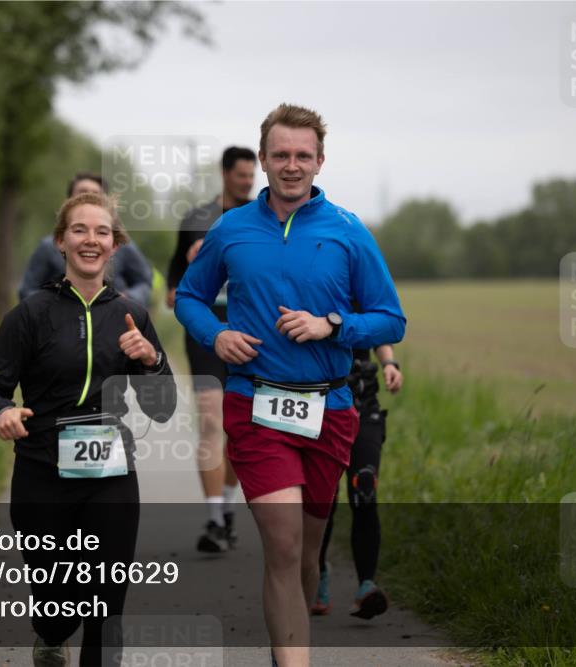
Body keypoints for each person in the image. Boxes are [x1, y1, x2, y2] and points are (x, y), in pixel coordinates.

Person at [174, 103, 405, 667]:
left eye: (303, 155)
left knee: (304, 556)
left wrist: (333, 325)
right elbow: (187, 296)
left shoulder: (348, 231)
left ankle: (290, 648)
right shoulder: (231, 229)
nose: (292, 165)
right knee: (281, 546)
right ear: (264, 160)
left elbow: (390, 319)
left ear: (320, 161)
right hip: (255, 404)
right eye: (281, 155)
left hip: (331, 410)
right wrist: (217, 334)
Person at [0, 191, 176, 667]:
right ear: (60, 242)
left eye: (102, 232)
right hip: (42, 470)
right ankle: (51, 634)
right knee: (56, 600)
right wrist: (1, 410)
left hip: (111, 472)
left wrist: (151, 359)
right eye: (79, 230)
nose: (91, 240)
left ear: (115, 245)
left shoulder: (132, 316)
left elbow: (162, 408)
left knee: (107, 601)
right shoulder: (30, 315)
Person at [166, 146, 256, 553]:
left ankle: (228, 506)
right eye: (241, 175)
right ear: (224, 174)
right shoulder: (197, 219)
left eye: (252, 175)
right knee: (209, 422)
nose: (248, 182)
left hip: (251, 335)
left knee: (241, 429)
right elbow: (173, 279)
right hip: (205, 333)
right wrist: (182, 284)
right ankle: (215, 519)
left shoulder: (264, 219)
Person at [312, 344, 403, 620]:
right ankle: (318, 575)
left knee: (364, 488)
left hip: (364, 404)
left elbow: (380, 330)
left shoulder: (360, 298)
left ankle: (366, 586)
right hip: (319, 406)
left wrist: (390, 364)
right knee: (322, 498)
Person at [18, 173, 153, 305]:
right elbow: (27, 290)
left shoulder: (124, 246)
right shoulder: (48, 246)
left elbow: (144, 281)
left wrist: (127, 299)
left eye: (96, 193)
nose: (91, 241)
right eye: (82, 193)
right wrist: (52, 308)